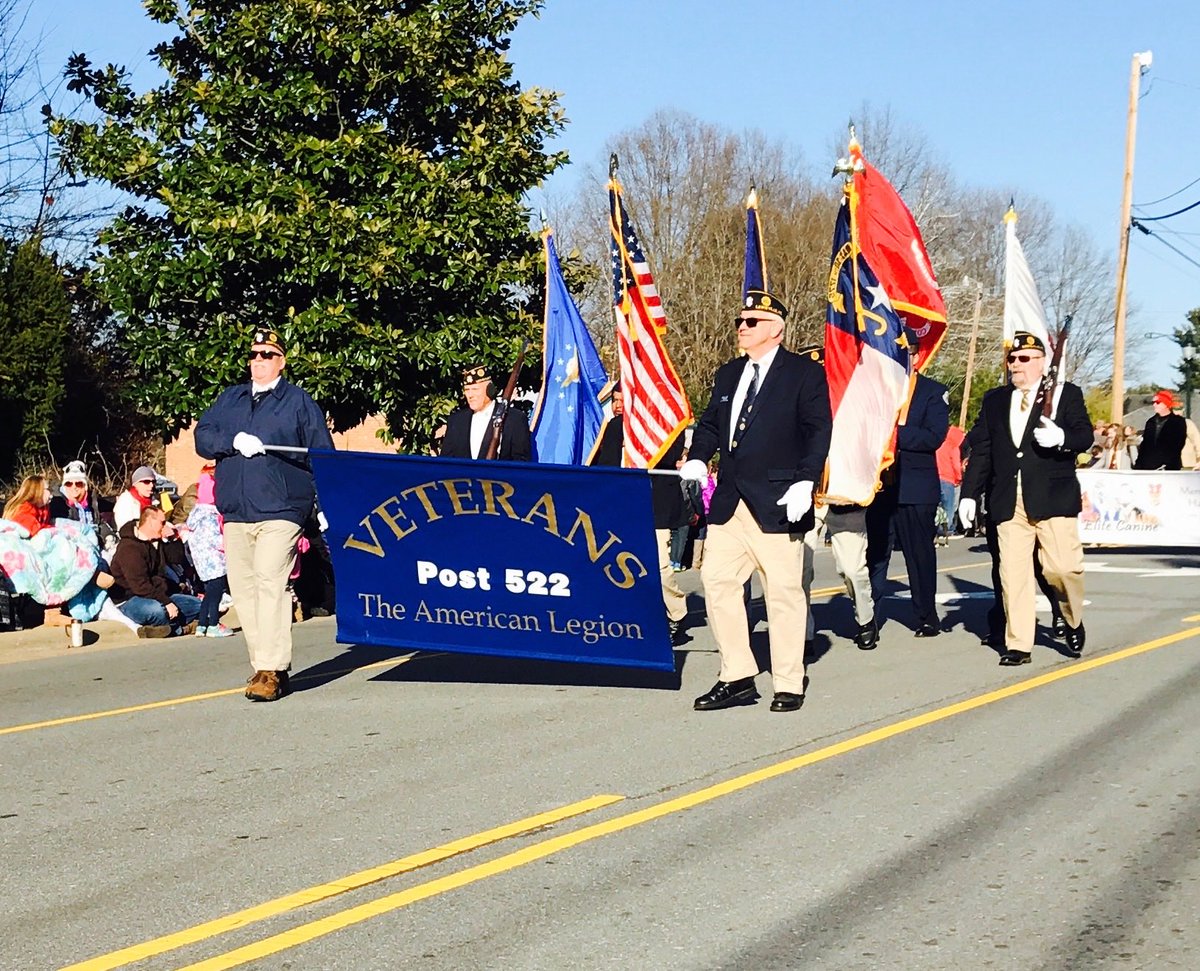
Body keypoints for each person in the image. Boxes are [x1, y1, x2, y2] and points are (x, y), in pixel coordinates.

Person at [680, 289, 832, 713]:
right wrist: (696, 459)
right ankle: (737, 676)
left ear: (776, 329)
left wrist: (806, 481)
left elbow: (819, 430)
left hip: (780, 499)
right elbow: (711, 424)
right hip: (731, 500)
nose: (742, 329)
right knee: (718, 583)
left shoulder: (803, 373)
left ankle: (788, 681)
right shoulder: (729, 374)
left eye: (752, 322)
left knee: (782, 592)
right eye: (740, 322)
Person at [194, 327, 334, 702]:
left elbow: (322, 454)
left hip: (282, 508)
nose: (259, 360)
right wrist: (231, 441)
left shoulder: (298, 402)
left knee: (272, 582)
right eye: (255, 354)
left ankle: (271, 668)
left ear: (281, 361)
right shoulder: (230, 400)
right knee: (245, 589)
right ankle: (264, 665)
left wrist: (326, 506)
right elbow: (202, 437)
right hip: (237, 510)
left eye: (267, 354)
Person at [959, 331, 1092, 666]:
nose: (1016, 364)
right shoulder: (995, 399)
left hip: (1051, 496)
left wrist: (1061, 438)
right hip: (1008, 498)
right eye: (1012, 359)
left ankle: (1071, 616)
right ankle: (1018, 643)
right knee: (1013, 573)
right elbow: (983, 450)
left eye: (1024, 359)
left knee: (1062, 568)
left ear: (1041, 362)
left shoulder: (1065, 395)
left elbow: (1085, 436)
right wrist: (969, 495)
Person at [590, 382, 690, 643]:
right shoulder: (612, 427)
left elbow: (671, 454)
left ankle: (676, 613)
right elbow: (605, 466)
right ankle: (631, 615)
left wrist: (639, 436)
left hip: (655, 503)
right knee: (620, 564)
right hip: (620, 507)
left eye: (623, 399)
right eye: (615, 399)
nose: (618, 405)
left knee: (658, 565)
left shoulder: (664, 426)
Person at [866, 357, 950, 638]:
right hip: (880, 486)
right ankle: (869, 619)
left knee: (919, 555)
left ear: (916, 356)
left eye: (908, 352)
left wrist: (892, 433)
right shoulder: (876, 389)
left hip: (915, 487)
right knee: (875, 555)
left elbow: (933, 436)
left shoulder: (932, 391)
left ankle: (926, 616)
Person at [108, 506, 202, 637]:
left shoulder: (156, 541)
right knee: (157, 610)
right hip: (130, 599)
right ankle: (178, 629)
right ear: (150, 522)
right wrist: (166, 602)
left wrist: (172, 538)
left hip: (156, 594)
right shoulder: (129, 548)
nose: (164, 525)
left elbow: (176, 558)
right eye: (162, 522)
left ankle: (165, 626)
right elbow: (140, 586)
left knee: (198, 605)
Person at [439, 365, 532, 461]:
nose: (470, 395)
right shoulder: (456, 421)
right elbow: (446, 462)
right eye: (467, 390)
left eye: (475, 389)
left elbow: (521, 463)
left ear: (490, 390)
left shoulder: (514, 419)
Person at [185, 463, 233, 637]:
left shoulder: (196, 516)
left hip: (203, 562)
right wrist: (229, 546)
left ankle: (202, 624)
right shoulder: (210, 516)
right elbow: (215, 539)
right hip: (215, 562)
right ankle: (213, 623)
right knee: (216, 593)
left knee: (208, 594)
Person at [1133, 390, 1187, 470]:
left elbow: (1178, 444)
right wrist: (1138, 465)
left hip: (1169, 467)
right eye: (1154, 402)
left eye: (1158, 402)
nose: (1154, 405)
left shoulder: (1178, 422)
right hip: (1147, 467)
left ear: (1166, 404)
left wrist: (1165, 463)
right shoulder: (1150, 422)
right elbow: (1145, 445)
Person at [936, 424, 965, 544]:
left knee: (937, 506)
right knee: (949, 507)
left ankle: (936, 529)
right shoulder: (953, 447)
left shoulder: (939, 444)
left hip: (936, 478)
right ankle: (946, 530)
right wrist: (959, 478)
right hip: (948, 479)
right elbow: (956, 465)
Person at [113, 466, 159, 531]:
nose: (151, 485)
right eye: (146, 482)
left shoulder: (155, 502)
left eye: (153, 482)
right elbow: (125, 529)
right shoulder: (125, 501)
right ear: (135, 484)